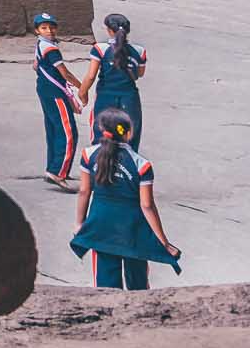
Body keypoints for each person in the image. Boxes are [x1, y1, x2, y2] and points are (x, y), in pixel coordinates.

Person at [70, 112, 182, 289]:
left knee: (105, 284)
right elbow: (146, 205)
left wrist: (79, 223)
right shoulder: (141, 164)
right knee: (138, 281)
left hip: (101, 227)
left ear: (101, 129)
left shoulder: (88, 155)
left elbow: (84, 191)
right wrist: (163, 242)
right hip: (133, 230)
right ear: (128, 133)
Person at [31, 12, 84, 187]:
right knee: (68, 133)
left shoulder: (40, 45)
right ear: (37, 30)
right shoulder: (52, 50)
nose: (49, 31)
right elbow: (65, 73)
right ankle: (59, 173)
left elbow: (35, 66)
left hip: (44, 90)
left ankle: (53, 168)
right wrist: (81, 87)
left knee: (53, 129)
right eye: (44, 28)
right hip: (55, 93)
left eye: (52, 27)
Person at [86, 9, 146, 148]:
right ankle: (126, 164)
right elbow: (140, 74)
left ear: (109, 30)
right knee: (128, 132)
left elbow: (91, 76)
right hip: (129, 98)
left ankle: (100, 164)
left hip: (105, 97)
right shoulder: (139, 51)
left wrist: (82, 93)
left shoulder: (100, 49)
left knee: (102, 130)